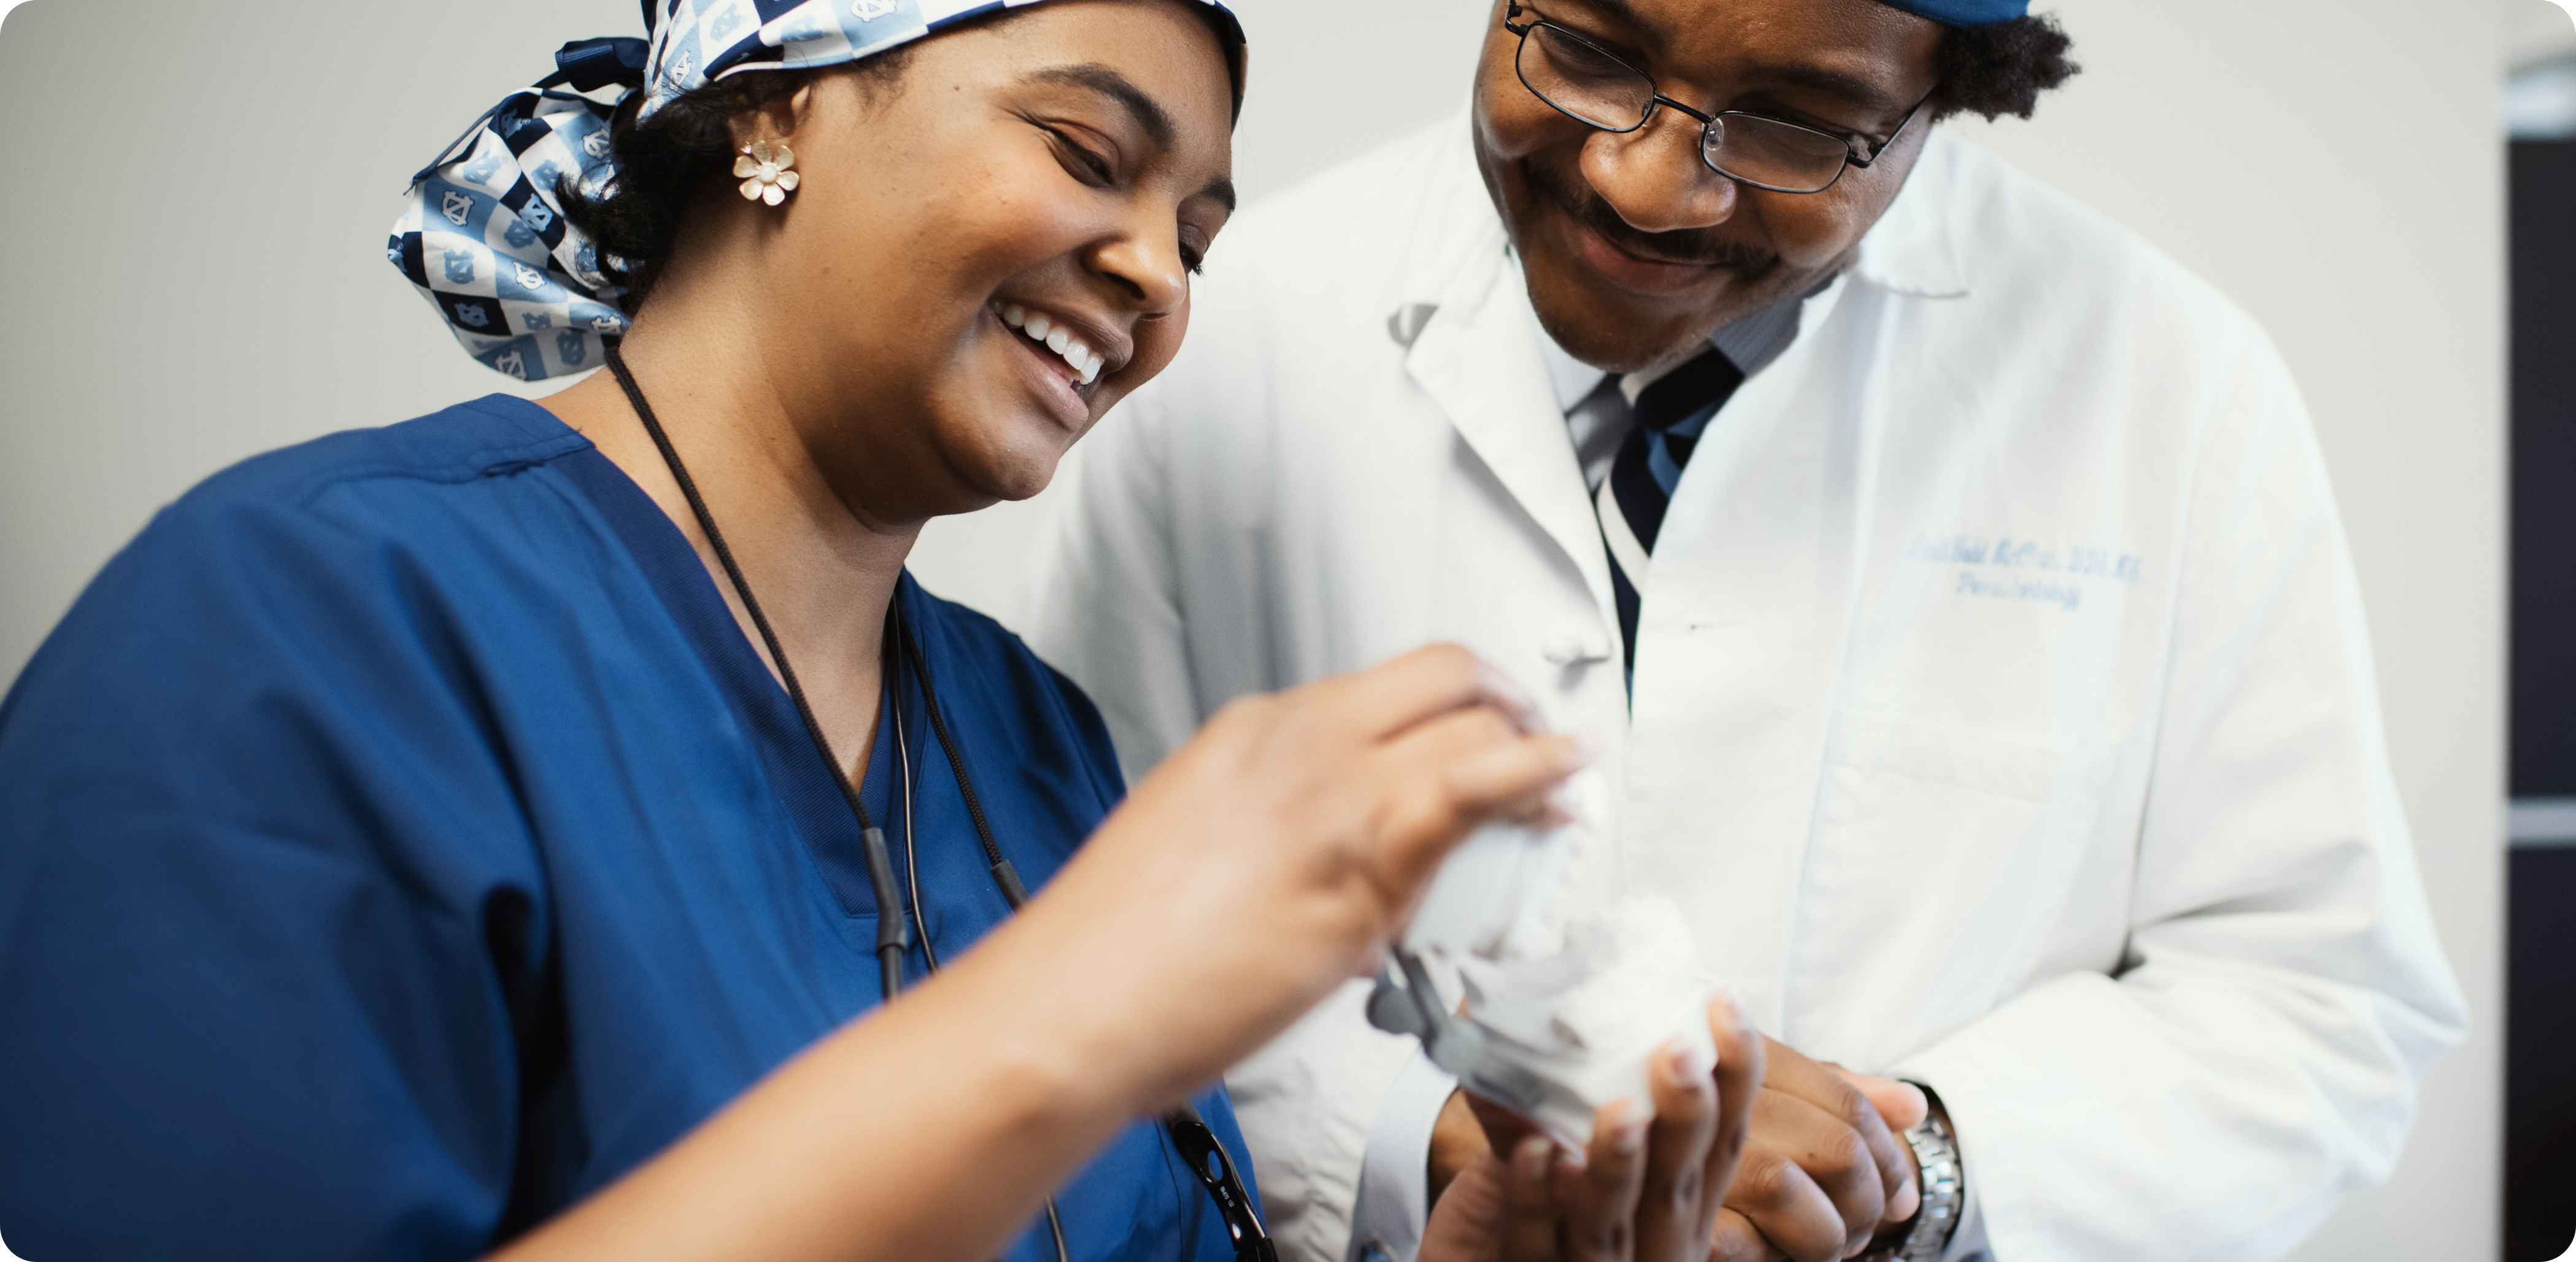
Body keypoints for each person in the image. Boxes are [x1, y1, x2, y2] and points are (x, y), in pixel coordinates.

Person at [0, 2, 1762, 1260]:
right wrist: (1069, 1014)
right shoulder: (296, 627)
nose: (1157, 276)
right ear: (773, 104)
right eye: (1089, 153)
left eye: (1196, 234)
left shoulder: (1034, 746)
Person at [1028, 0, 2473, 1259]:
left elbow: (2313, 1003)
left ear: (1944, 103)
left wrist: (1906, 1170)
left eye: (1791, 125)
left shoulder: (2167, 379)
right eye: (1586, 50)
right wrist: (1427, 1135)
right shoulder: (1230, 335)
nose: (1646, 183)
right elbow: (1081, 930)